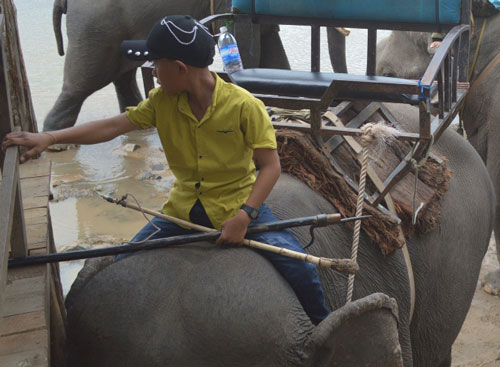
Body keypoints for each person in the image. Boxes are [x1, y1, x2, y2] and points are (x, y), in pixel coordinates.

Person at [2, 15, 330, 325]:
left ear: (179, 68)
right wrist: (50, 136)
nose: (154, 73)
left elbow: (271, 167)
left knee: (299, 267)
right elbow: (112, 126)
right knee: (123, 262)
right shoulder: (161, 102)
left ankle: (323, 327)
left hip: (236, 204)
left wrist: (245, 215)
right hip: (182, 211)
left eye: (156, 65)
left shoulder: (245, 107)